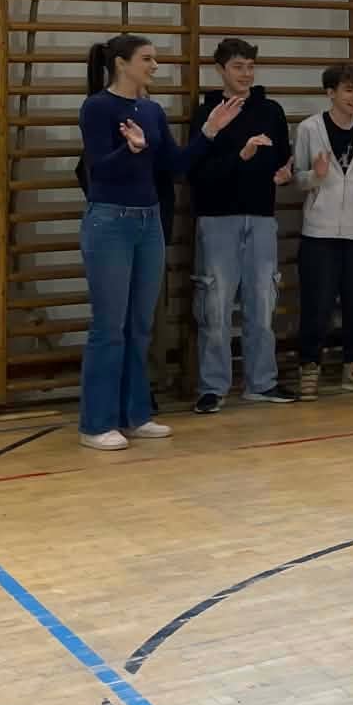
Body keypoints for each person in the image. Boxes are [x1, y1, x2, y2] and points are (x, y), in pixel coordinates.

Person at [77, 33, 243, 450]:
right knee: (109, 327)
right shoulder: (97, 107)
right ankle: (96, 423)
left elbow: (175, 164)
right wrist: (130, 151)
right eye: (147, 59)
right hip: (110, 222)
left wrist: (209, 131)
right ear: (121, 63)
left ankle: (135, 415)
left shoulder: (151, 110)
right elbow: (99, 169)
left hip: (149, 222)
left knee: (140, 326)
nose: (154, 66)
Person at [187, 38, 296, 414]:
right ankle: (213, 386)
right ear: (220, 70)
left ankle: (261, 381)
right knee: (215, 306)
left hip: (261, 217)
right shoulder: (207, 113)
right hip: (218, 218)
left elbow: (283, 159)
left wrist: (285, 173)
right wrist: (242, 156)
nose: (246, 74)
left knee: (263, 303)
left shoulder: (271, 111)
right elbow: (197, 172)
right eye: (238, 67)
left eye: (250, 66)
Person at [293, 63, 353, 399]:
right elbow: (298, 179)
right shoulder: (309, 128)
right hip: (319, 232)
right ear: (330, 92)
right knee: (317, 304)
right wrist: (316, 175)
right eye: (348, 90)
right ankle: (309, 366)